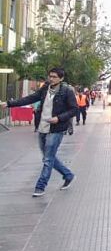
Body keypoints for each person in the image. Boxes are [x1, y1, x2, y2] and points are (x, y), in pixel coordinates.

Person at [1, 68, 78, 197]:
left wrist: (58, 118)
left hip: (56, 129)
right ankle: (68, 175)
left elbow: (74, 110)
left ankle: (40, 186)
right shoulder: (45, 88)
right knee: (49, 157)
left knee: (48, 159)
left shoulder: (67, 91)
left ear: (61, 78)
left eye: (54, 77)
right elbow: (30, 98)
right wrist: (10, 104)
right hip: (43, 127)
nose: (51, 79)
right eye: (50, 76)